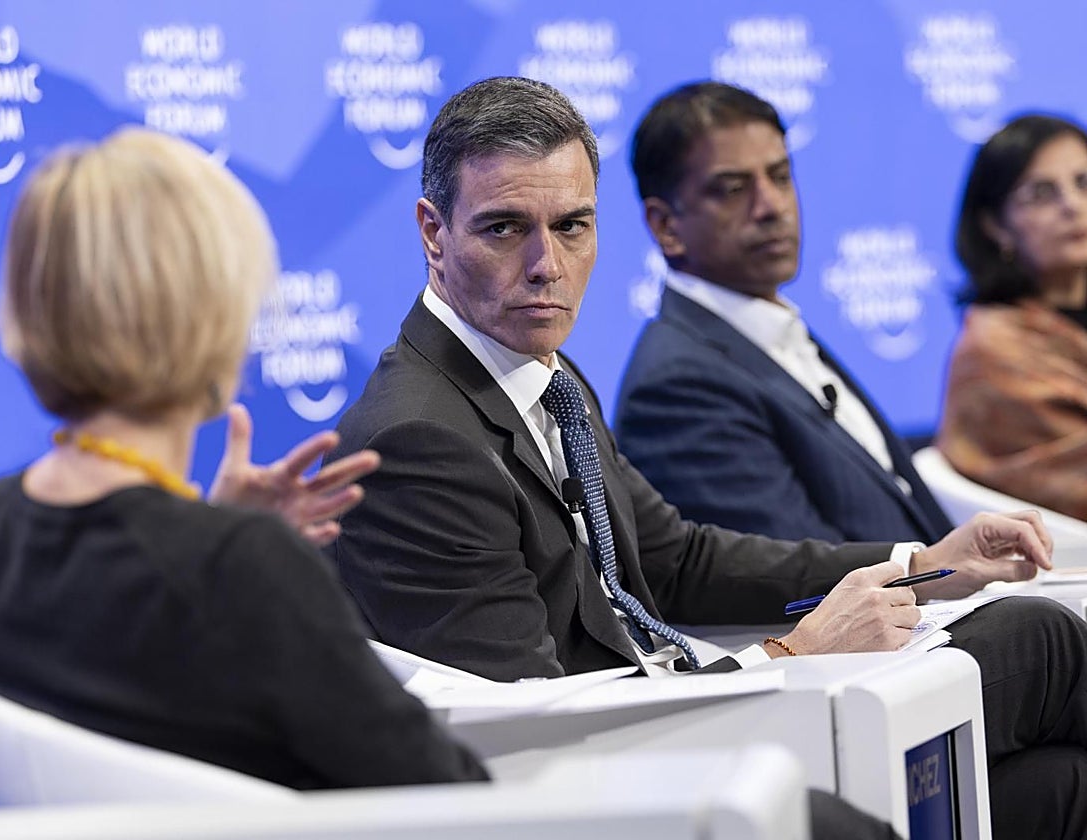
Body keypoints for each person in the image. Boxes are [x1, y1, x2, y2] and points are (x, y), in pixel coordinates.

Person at [328, 76, 1087, 839]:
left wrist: (924, 564)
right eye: (503, 229)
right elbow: (535, 727)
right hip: (648, 780)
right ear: (433, 232)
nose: (546, 265)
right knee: (1040, 642)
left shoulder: (542, 370)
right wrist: (792, 654)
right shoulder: (417, 442)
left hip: (694, 715)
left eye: (572, 226)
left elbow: (679, 560)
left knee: (1059, 781)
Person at [0, 127, 487, 791]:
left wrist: (208, 528)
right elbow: (443, 791)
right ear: (201, 312)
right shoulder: (239, 566)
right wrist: (228, 549)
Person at [613, 81, 951, 545]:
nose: (772, 207)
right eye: (732, 189)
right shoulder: (677, 387)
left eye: (779, 176)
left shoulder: (773, 329)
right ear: (666, 226)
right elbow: (795, 573)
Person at [938, 114, 1087, 520]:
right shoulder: (994, 349)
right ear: (996, 226)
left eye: (1083, 184)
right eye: (1042, 193)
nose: (1072, 206)